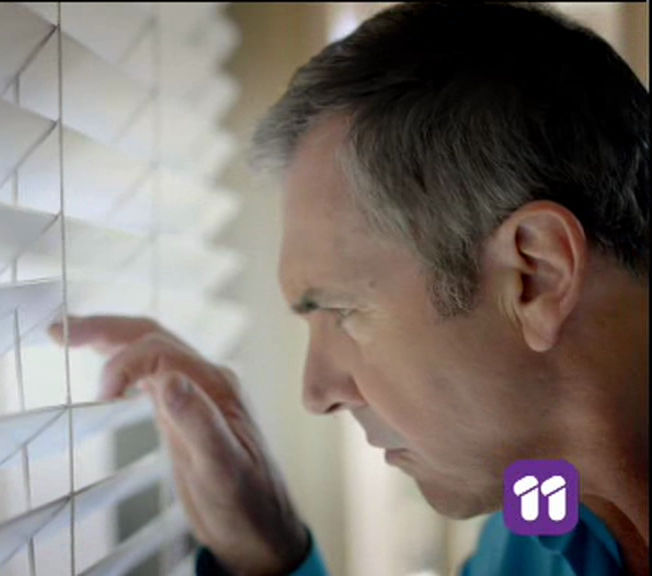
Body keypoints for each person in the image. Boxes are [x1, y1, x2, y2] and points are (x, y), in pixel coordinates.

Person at [49, 2, 648, 574]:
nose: (318, 393)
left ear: (535, 274)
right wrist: (270, 555)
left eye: (342, 310)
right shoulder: (541, 501)